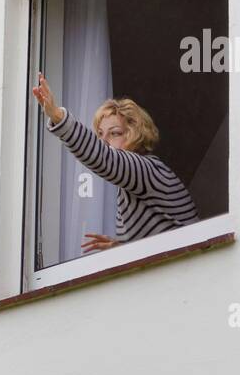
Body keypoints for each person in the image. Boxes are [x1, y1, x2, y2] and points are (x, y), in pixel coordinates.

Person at [31, 72, 198, 252]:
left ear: (135, 133)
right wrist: (123, 249)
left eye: (115, 133)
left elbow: (103, 157)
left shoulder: (147, 170)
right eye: (100, 134)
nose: (104, 141)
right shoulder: (129, 187)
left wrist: (57, 116)